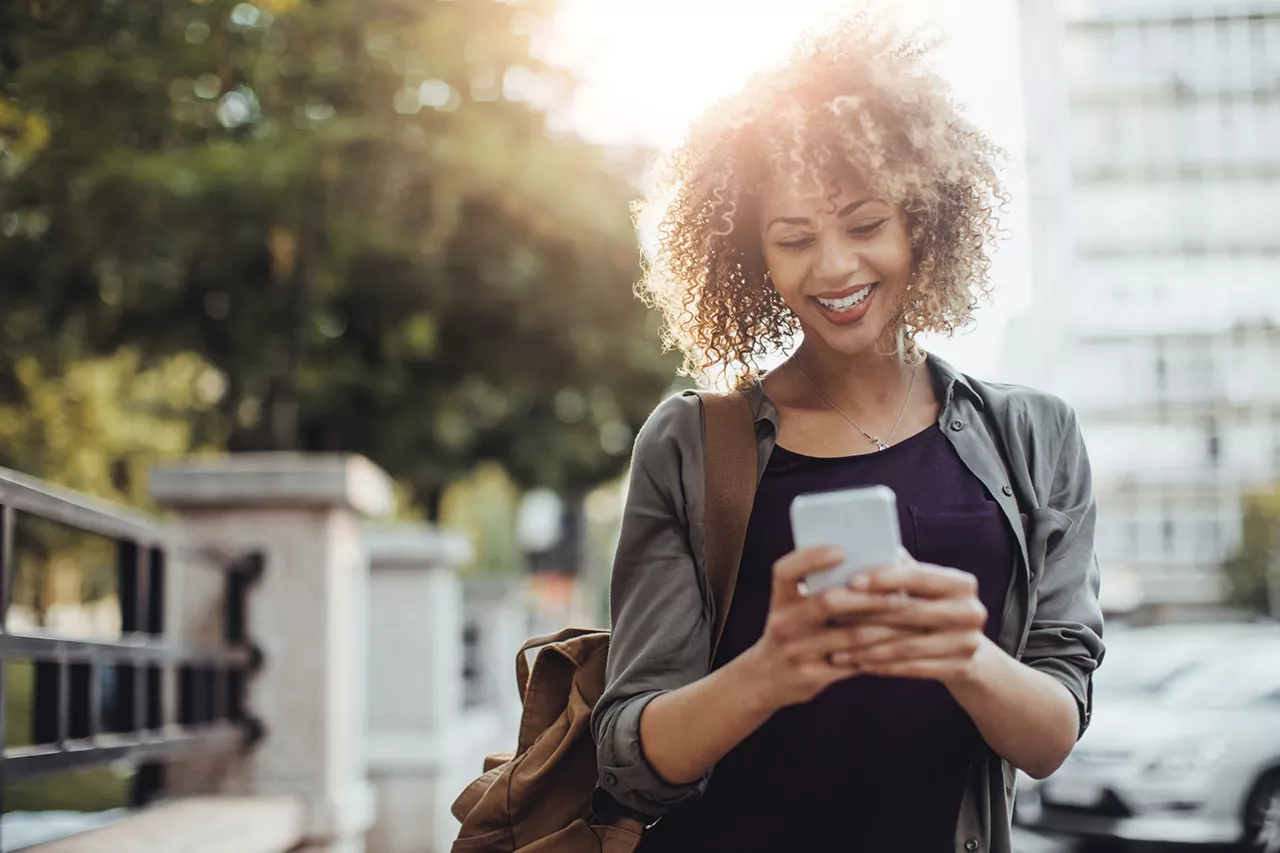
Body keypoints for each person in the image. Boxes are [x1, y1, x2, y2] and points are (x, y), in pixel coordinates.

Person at [590, 12, 1105, 853]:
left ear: (924, 222)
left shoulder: (1035, 435)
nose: (832, 269)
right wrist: (770, 669)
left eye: (866, 225)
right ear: (753, 254)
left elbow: (1051, 737)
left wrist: (961, 654)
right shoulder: (690, 443)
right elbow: (629, 758)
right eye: (794, 239)